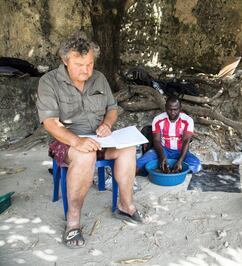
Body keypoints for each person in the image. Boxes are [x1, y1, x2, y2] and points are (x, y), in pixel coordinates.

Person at [36, 32, 144, 249]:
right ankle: (73, 222)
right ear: (65, 61)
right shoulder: (49, 82)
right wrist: (77, 141)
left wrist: (107, 124)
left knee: (128, 149)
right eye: (79, 64)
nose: (86, 70)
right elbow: (49, 123)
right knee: (85, 156)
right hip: (66, 142)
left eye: (90, 64)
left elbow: (112, 108)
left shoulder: (99, 78)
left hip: (99, 139)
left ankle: (125, 205)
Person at [136, 95, 201, 174]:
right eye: (169, 109)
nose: (173, 113)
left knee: (196, 164)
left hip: (180, 151)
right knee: (138, 164)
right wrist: (162, 157)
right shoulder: (158, 119)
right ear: (165, 107)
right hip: (163, 149)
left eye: (175, 109)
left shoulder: (187, 120)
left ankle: (175, 172)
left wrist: (180, 161)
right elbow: (156, 140)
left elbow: (186, 141)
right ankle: (130, 180)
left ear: (180, 108)